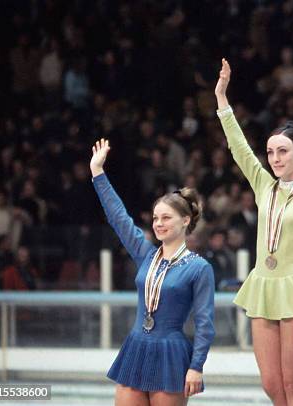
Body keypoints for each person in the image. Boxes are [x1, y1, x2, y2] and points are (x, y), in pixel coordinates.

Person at [215, 58, 293, 406]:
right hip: (262, 285)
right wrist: (222, 99)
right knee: (270, 384)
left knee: (292, 382)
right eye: (270, 152)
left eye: (282, 151)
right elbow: (239, 148)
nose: (274, 158)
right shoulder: (264, 185)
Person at [90, 138, 215, 405]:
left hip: (171, 353)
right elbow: (119, 217)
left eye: (166, 218)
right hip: (136, 347)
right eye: (156, 218)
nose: (158, 224)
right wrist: (97, 173)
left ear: (185, 221)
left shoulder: (199, 267)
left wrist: (197, 366)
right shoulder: (146, 254)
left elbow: (205, 324)